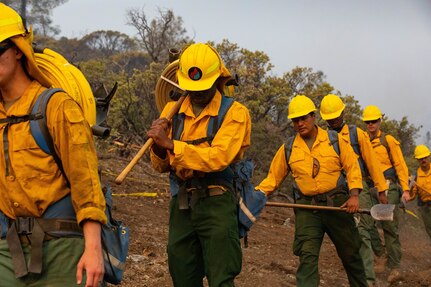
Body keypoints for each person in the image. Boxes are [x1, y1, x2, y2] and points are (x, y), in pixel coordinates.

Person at [0, 4, 106, 286]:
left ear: (18, 49)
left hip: (63, 246)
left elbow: (86, 182)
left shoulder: (55, 107)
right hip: (8, 248)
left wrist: (93, 249)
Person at [148, 43, 251, 287]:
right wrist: (158, 147)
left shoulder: (235, 113)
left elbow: (218, 157)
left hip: (217, 202)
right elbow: (160, 167)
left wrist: (172, 145)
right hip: (182, 204)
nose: (198, 92)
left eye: (203, 87)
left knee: (221, 276)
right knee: (181, 272)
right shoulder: (171, 113)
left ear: (217, 80)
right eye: (192, 87)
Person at [256, 95, 367, 287]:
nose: (299, 123)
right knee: (307, 258)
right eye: (295, 120)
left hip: (338, 205)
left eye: (303, 118)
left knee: (351, 255)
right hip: (307, 208)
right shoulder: (289, 148)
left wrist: (354, 196)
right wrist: (256, 195)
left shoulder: (335, 141)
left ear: (313, 117)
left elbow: (352, 168)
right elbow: (273, 178)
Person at [320, 94, 388, 287]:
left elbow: (373, 163)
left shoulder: (356, 134)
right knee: (349, 234)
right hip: (335, 191)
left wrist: (381, 190)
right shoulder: (322, 137)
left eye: (336, 116)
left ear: (343, 112)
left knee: (363, 232)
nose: (333, 120)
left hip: (359, 189)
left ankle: (367, 280)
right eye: (329, 117)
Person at [362, 105, 411, 283]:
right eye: (368, 122)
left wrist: (405, 189)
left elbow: (400, 165)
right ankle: (381, 254)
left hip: (388, 186)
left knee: (388, 226)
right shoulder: (363, 141)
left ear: (380, 121)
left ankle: (395, 267)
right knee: (365, 223)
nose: (371, 124)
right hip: (369, 186)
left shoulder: (388, 140)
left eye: (373, 121)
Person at [410, 145, 431, 239]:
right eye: (420, 158)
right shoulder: (415, 176)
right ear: (417, 160)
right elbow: (412, 196)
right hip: (425, 207)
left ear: (429, 157)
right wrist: (410, 187)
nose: (423, 160)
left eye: (425, 158)